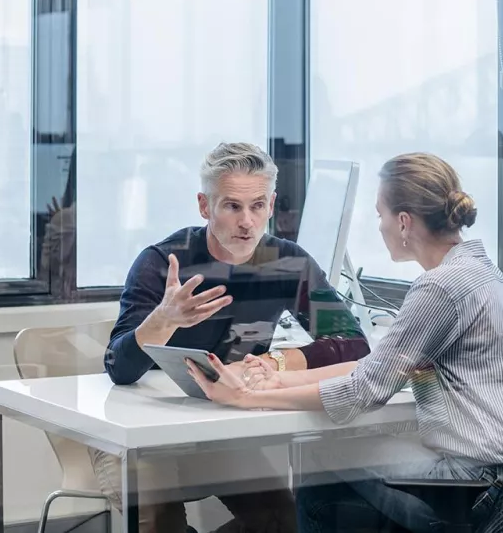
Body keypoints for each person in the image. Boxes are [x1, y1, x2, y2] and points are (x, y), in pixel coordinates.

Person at [187, 152, 503, 532]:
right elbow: (381, 370)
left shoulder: (440, 287)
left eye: (380, 215)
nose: (379, 227)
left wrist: (247, 398)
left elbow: (362, 392)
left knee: (318, 452)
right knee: (334, 492)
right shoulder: (479, 271)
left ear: (403, 222)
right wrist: (280, 380)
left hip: (474, 485)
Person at [94, 142, 371, 533]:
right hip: (137, 437)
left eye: (257, 206)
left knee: (283, 520)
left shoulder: (288, 262)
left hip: (217, 426)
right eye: (232, 206)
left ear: (271, 205)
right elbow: (118, 369)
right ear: (205, 206)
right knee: (161, 524)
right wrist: (163, 320)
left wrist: (274, 362)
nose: (247, 222)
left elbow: (353, 344)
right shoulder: (162, 262)